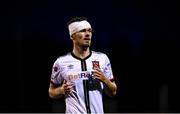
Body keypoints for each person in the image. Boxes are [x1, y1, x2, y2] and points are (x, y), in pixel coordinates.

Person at [48, 16, 117, 114]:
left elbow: (113, 92)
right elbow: (51, 92)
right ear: (72, 36)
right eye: (82, 31)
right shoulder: (61, 62)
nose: (88, 34)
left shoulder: (103, 58)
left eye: (90, 31)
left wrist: (105, 80)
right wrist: (61, 90)